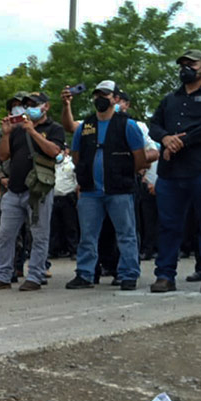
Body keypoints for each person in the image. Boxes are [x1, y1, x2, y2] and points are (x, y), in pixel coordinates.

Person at [146, 49, 201, 294]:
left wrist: (181, 141)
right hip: (171, 171)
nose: (186, 68)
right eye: (182, 64)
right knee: (168, 225)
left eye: (191, 64)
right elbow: (154, 125)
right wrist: (165, 138)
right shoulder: (170, 99)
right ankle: (164, 275)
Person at [61, 81, 149, 291]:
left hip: (119, 189)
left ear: (116, 99)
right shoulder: (85, 127)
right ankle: (85, 274)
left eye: (105, 94)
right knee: (88, 235)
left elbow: (140, 158)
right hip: (91, 191)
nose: (100, 98)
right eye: (97, 94)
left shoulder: (128, 125)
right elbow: (76, 156)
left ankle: (129, 274)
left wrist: (125, 173)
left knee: (126, 234)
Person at [0, 91, 65, 291]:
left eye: (34, 104)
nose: (29, 107)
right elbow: (3, 155)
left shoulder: (54, 128)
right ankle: (3, 275)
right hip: (14, 189)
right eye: (27, 104)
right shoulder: (17, 130)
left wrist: (32, 131)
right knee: (5, 235)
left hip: (38, 189)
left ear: (45, 106)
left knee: (39, 235)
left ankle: (36, 276)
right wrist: (6, 133)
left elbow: (54, 151)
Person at [50, 149, 79, 258]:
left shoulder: (70, 164)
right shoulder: (51, 163)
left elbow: (76, 182)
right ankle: (54, 250)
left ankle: (73, 250)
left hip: (67, 197)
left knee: (70, 225)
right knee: (54, 226)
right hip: (54, 197)